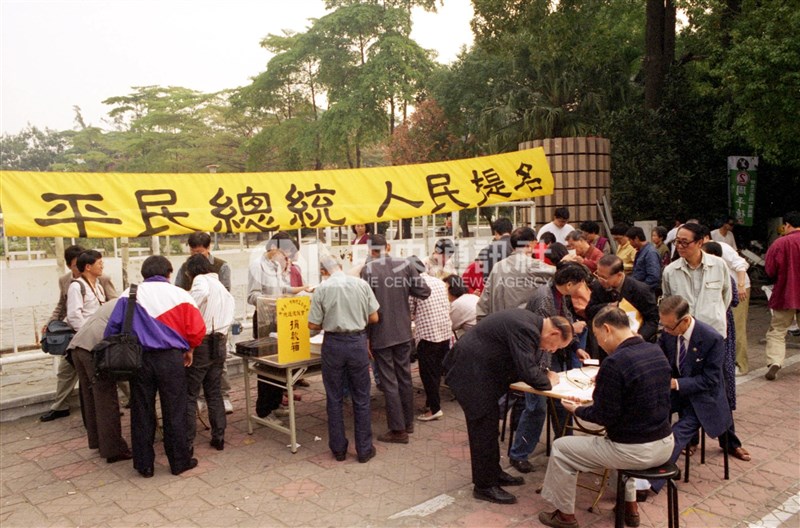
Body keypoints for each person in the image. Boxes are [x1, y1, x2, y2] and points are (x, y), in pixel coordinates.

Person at [538, 306, 674, 528]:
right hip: (665, 443)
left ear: (608, 329)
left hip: (634, 451)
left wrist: (576, 410)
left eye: (598, 336)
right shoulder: (655, 350)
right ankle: (630, 508)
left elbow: (602, 415)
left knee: (563, 448)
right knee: (616, 439)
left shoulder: (615, 362)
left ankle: (565, 516)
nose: (599, 343)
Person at [444, 311, 573, 505]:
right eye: (555, 347)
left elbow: (525, 364)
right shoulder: (526, 328)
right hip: (470, 375)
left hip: (480, 375)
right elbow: (527, 371)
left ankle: (493, 474)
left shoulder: (529, 324)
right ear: (554, 333)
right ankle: (484, 486)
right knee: (482, 431)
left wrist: (542, 374)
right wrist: (549, 380)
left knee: (489, 429)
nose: (551, 351)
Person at [106, 256, 206, 478]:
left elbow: (112, 329)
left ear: (143, 274)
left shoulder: (128, 294)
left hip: (139, 359)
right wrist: (189, 349)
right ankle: (179, 462)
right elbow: (197, 329)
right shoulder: (180, 294)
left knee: (142, 411)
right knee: (175, 410)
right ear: (169, 273)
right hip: (171, 359)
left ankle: (144, 465)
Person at [662, 222, 749, 461]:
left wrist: (711, 324)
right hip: (685, 340)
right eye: (676, 242)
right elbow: (670, 304)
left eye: (684, 242)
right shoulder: (671, 271)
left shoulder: (719, 266)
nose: (679, 246)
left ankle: (729, 440)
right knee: (687, 386)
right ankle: (690, 440)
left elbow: (726, 298)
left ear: (700, 242)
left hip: (713, 339)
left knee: (718, 389)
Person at [649, 296, 733, 494]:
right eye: (664, 327)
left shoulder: (712, 338)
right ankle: (640, 458)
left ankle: (653, 480)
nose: (666, 331)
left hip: (703, 396)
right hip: (677, 392)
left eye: (669, 327)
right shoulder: (669, 333)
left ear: (685, 320)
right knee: (649, 412)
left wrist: (677, 383)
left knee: (679, 432)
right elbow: (658, 356)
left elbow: (711, 380)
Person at [309, 255, 379, 463]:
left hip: (333, 345)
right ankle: (364, 449)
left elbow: (312, 324)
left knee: (334, 397)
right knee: (362, 396)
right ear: (340, 266)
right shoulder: (361, 284)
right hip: (357, 342)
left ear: (323, 271)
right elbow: (374, 317)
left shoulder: (322, 288)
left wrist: (330, 319)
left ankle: (339, 449)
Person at [361, 234, 431, 443]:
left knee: (389, 380)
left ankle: (398, 430)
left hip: (381, 332)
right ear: (388, 246)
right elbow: (424, 291)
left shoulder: (368, 270)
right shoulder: (405, 265)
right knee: (404, 377)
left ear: (370, 250)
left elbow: (367, 306)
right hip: (403, 331)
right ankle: (407, 423)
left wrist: (366, 337)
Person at [40, 245, 118, 422]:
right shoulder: (68, 282)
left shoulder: (101, 280)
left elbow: (112, 302)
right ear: (70, 265)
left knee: (111, 368)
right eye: (76, 265)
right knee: (67, 371)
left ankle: (123, 401)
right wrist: (51, 322)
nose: (79, 267)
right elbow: (65, 307)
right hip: (80, 336)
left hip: (97, 335)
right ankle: (61, 406)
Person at [247, 235, 311, 422]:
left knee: (279, 364)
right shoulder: (257, 266)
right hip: (265, 321)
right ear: (274, 247)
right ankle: (264, 410)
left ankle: (274, 404)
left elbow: (282, 289)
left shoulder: (275, 266)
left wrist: (302, 289)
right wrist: (274, 302)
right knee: (267, 365)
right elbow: (252, 297)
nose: (286, 257)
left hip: (280, 318)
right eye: (285, 252)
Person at [173, 231, 234, 413]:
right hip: (195, 323)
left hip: (214, 323)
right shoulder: (186, 266)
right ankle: (200, 398)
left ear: (208, 248)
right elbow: (178, 289)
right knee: (196, 368)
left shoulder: (221, 266)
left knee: (218, 365)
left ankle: (224, 396)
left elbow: (224, 292)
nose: (196, 256)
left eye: (200, 252)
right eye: (193, 252)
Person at [68, 299, 131, 464]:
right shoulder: (135, 304)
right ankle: (113, 449)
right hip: (94, 350)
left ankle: (98, 441)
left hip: (78, 346)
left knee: (91, 398)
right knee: (106, 399)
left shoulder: (121, 300)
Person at [184, 254, 235, 453]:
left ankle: (187, 441)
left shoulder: (200, 281)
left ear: (191, 271)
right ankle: (219, 436)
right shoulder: (222, 288)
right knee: (214, 391)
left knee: (190, 393)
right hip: (220, 341)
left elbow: (193, 302)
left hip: (202, 342)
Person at [408, 256, 452, 422]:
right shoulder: (439, 282)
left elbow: (410, 312)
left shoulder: (414, 286)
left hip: (428, 335)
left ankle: (434, 409)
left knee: (428, 374)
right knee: (436, 372)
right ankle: (431, 403)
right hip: (444, 331)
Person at [476, 227, 555, 319]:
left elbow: (484, 303)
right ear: (530, 243)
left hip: (498, 324)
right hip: (524, 325)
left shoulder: (497, 266)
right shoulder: (533, 264)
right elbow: (560, 275)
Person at [586, 255, 659, 345]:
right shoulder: (598, 286)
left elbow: (653, 320)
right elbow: (589, 311)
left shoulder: (640, 290)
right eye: (597, 275)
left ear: (619, 275)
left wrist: (640, 336)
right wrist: (608, 306)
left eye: (604, 277)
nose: (600, 280)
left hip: (634, 341)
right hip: (607, 341)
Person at [763, 211, 800, 381]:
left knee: (777, 330)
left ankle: (775, 362)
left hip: (786, 293)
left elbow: (770, 269)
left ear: (786, 225)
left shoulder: (780, 243)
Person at [627, 226, 661, 292]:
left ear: (636, 239)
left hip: (646, 292)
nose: (629, 243)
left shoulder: (650, 253)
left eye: (630, 240)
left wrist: (640, 289)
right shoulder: (641, 251)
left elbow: (654, 277)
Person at [444, 274, 479, 338]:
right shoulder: (472, 296)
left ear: (452, 289)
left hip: (476, 336)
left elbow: (449, 326)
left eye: (445, 289)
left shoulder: (457, 304)